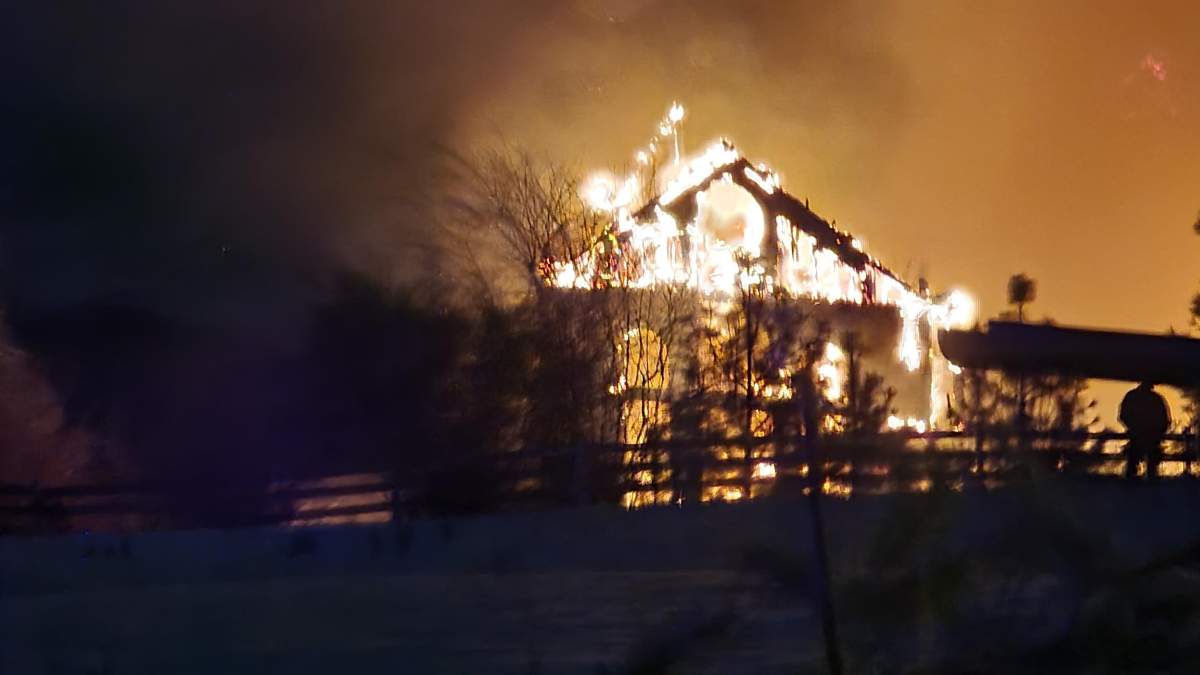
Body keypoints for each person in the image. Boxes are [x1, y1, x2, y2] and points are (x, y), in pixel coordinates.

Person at [1119, 382, 1171, 481]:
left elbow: (1165, 420)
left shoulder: (1133, 396)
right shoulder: (1155, 399)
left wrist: (1156, 433)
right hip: (1141, 436)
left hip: (1144, 436)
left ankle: (1134, 481)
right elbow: (1165, 420)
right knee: (1139, 460)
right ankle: (1140, 480)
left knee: (1140, 460)